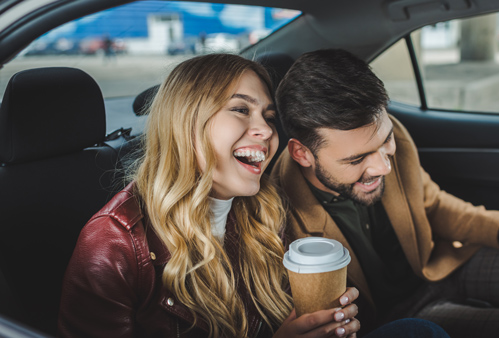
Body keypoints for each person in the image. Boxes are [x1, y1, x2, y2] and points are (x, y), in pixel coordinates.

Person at [271, 48, 499, 338]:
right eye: (357, 160)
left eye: (385, 142)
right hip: (395, 319)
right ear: (302, 154)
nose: (383, 167)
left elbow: (432, 204)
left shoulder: (389, 132)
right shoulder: (277, 215)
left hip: (439, 267)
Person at [58, 54, 362, 338]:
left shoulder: (262, 211)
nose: (267, 131)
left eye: (269, 117)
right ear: (186, 121)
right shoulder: (114, 243)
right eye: (241, 109)